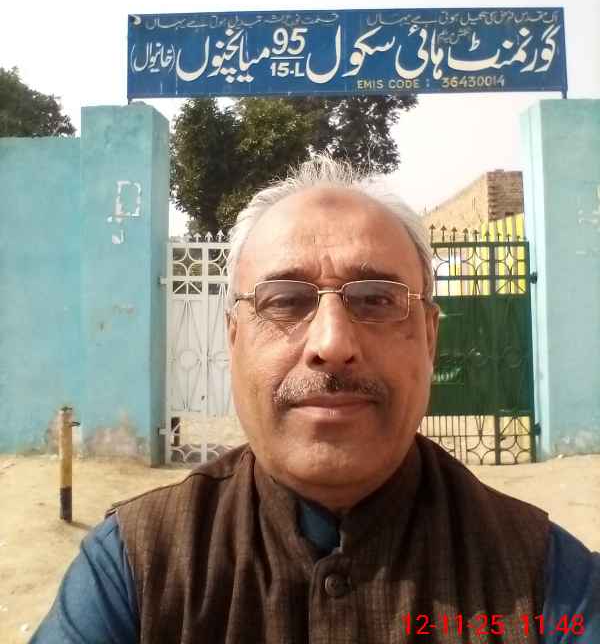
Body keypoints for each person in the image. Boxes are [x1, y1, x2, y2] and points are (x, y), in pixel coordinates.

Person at [33, 156, 599, 643]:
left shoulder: (547, 582)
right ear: (233, 339)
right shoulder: (135, 567)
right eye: (285, 300)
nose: (332, 344)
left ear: (429, 338)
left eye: (376, 299)